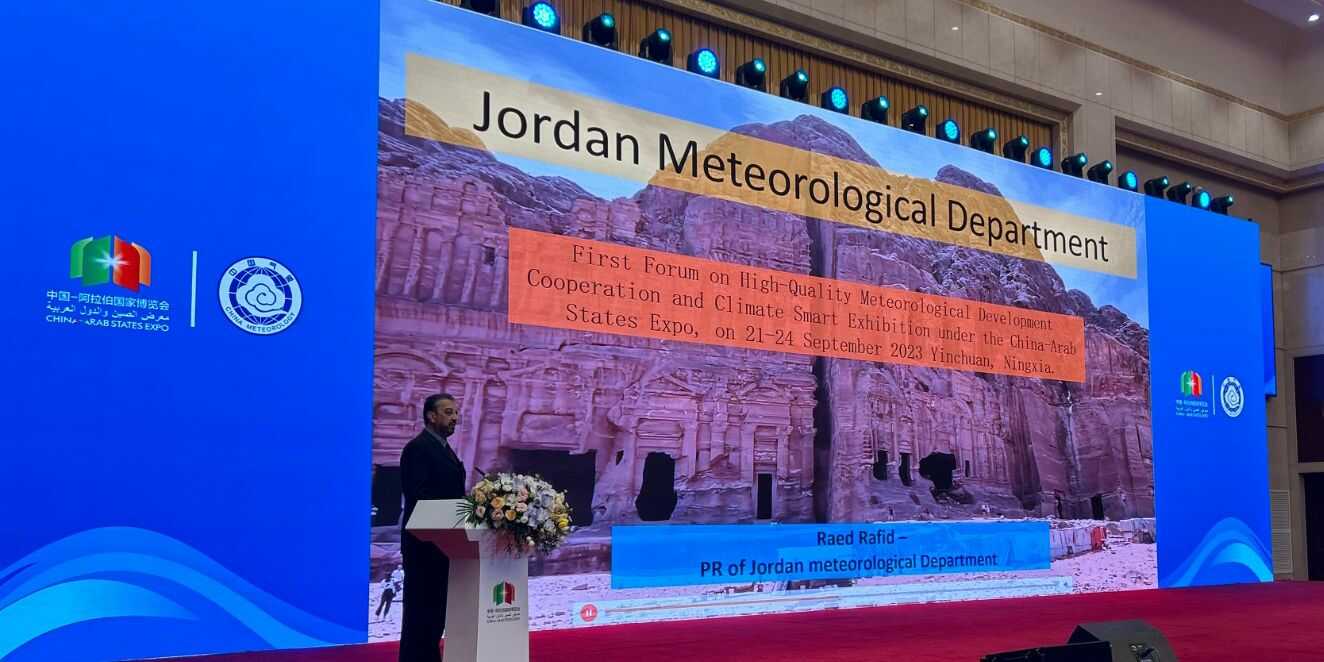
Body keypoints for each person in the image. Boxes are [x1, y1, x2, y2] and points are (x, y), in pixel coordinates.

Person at [399, 393, 466, 662]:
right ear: (431, 415)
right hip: (424, 544)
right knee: (420, 614)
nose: (455, 418)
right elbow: (418, 495)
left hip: (446, 543)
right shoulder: (418, 448)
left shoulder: (444, 448)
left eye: (456, 412)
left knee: (435, 614)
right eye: (448, 412)